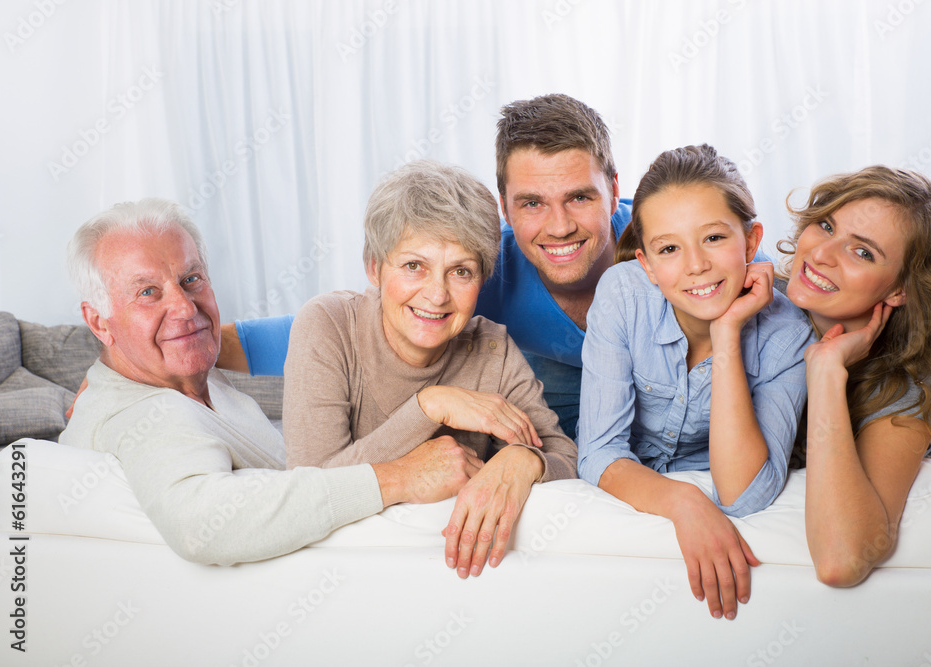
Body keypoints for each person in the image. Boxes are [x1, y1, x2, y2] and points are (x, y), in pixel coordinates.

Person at [59, 198, 477, 566]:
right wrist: (401, 476)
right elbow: (202, 524)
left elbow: (328, 338)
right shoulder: (147, 414)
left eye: (191, 280)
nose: (185, 308)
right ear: (98, 322)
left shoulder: (189, 383)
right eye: (148, 293)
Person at [217, 94, 632, 440]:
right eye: (532, 203)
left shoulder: (662, 249)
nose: (559, 227)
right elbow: (335, 329)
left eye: (579, 197)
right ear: (505, 207)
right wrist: (189, 346)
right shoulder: (474, 274)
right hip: (557, 421)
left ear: (613, 192)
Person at [283, 160, 577, 580]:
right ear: (374, 268)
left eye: (461, 271)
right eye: (413, 266)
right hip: (340, 574)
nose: (437, 295)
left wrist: (522, 460)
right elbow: (308, 489)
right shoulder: (326, 323)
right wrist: (429, 406)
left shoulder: (492, 347)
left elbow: (565, 456)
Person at [577, 145, 815, 621]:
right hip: (645, 484)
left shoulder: (787, 332)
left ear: (751, 243)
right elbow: (599, 450)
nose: (695, 265)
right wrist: (683, 502)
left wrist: (727, 334)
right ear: (646, 263)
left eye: (712, 238)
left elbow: (746, 494)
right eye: (669, 248)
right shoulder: (624, 294)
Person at [780, 166, 931, 587]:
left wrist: (825, 372)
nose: (821, 254)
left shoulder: (904, 392)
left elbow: (841, 561)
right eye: (826, 225)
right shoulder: (761, 303)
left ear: (900, 290)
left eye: (863, 253)